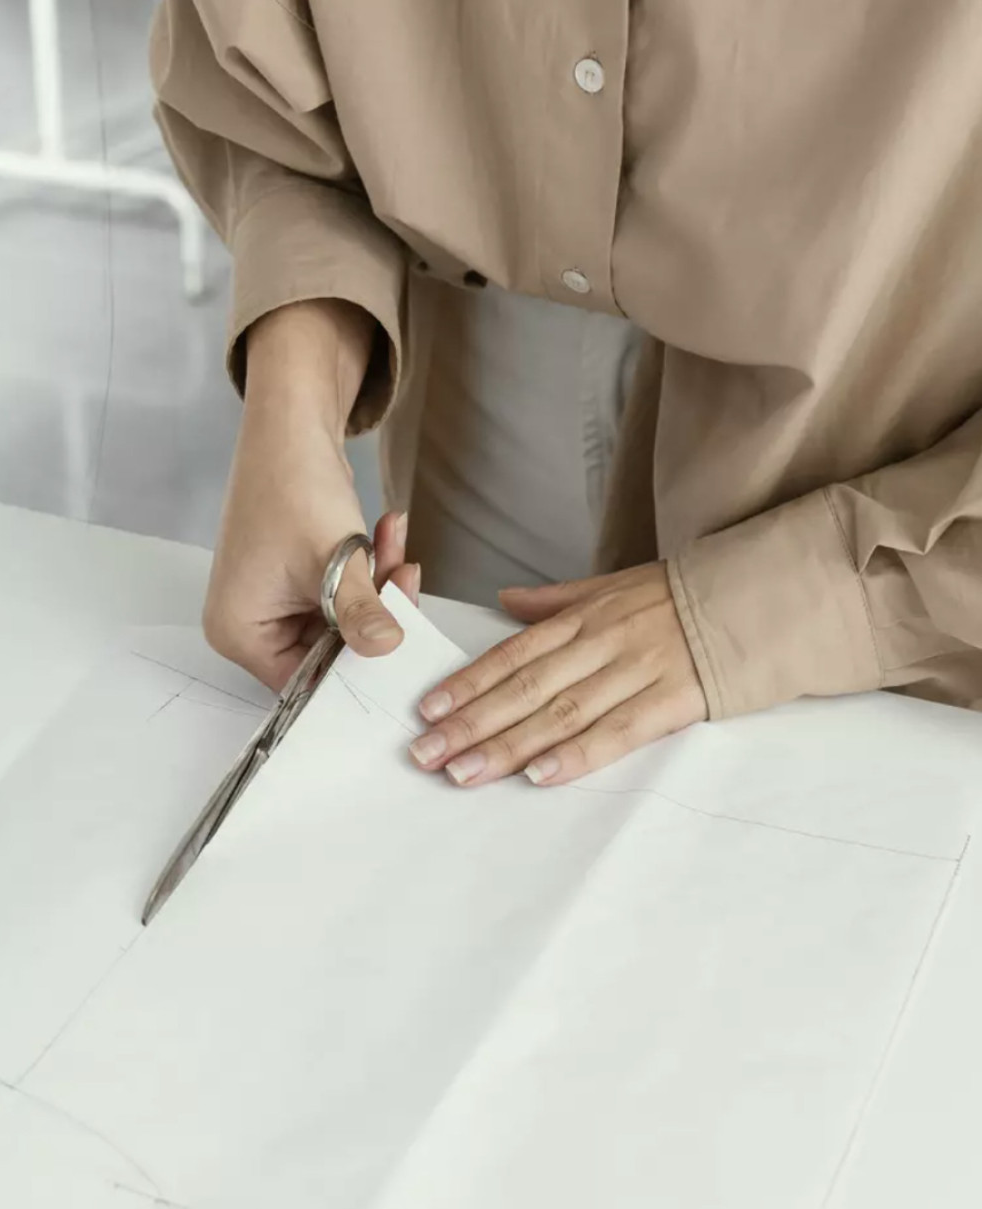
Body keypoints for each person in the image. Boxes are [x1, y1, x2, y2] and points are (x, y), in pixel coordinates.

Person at [149, 1, 982, 789]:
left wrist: (799, 602)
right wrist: (292, 413)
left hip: (877, 468)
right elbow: (269, 59)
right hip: (474, 366)